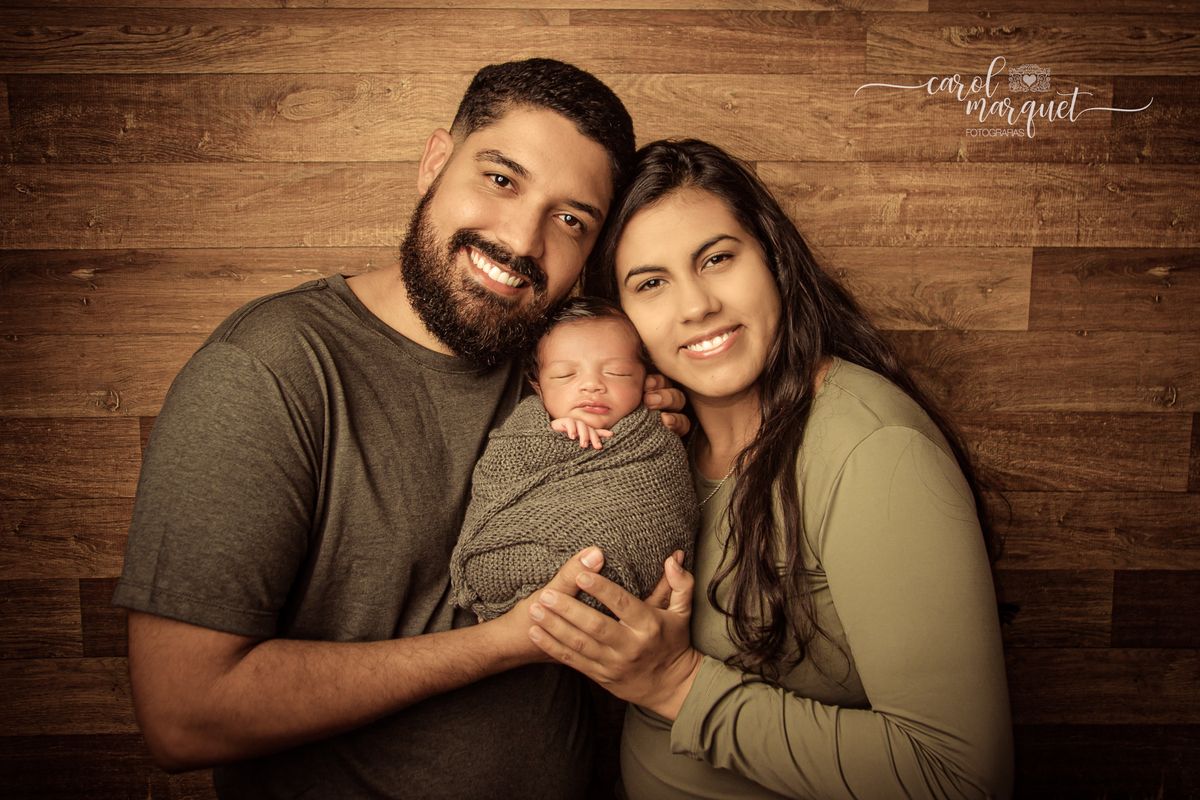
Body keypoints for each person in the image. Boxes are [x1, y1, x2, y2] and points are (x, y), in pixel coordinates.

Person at [112, 59, 688, 798]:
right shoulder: (271, 370)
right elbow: (183, 715)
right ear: (435, 162)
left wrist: (647, 422)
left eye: (570, 218)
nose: (521, 238)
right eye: (501, 179)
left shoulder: (563, 363)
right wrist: (502, 645)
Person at [525, 140, 1015, 799]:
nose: (695, 305)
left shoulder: (873, 450)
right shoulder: (654, 448)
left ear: (774, 261)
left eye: (718, 259)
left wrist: (677, 683)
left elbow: (960, 777)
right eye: (651, 283)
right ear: (621, 318)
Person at [451, 297, 697, 622]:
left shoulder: (656, 439)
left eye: (617, 372)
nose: (592, 385)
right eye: (566, 375)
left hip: (635, 594)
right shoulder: (524, 431)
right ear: (537, 388)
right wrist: (548, 437)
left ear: (647, 381)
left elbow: (669, 510)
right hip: (522, 568)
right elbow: (493, 488)